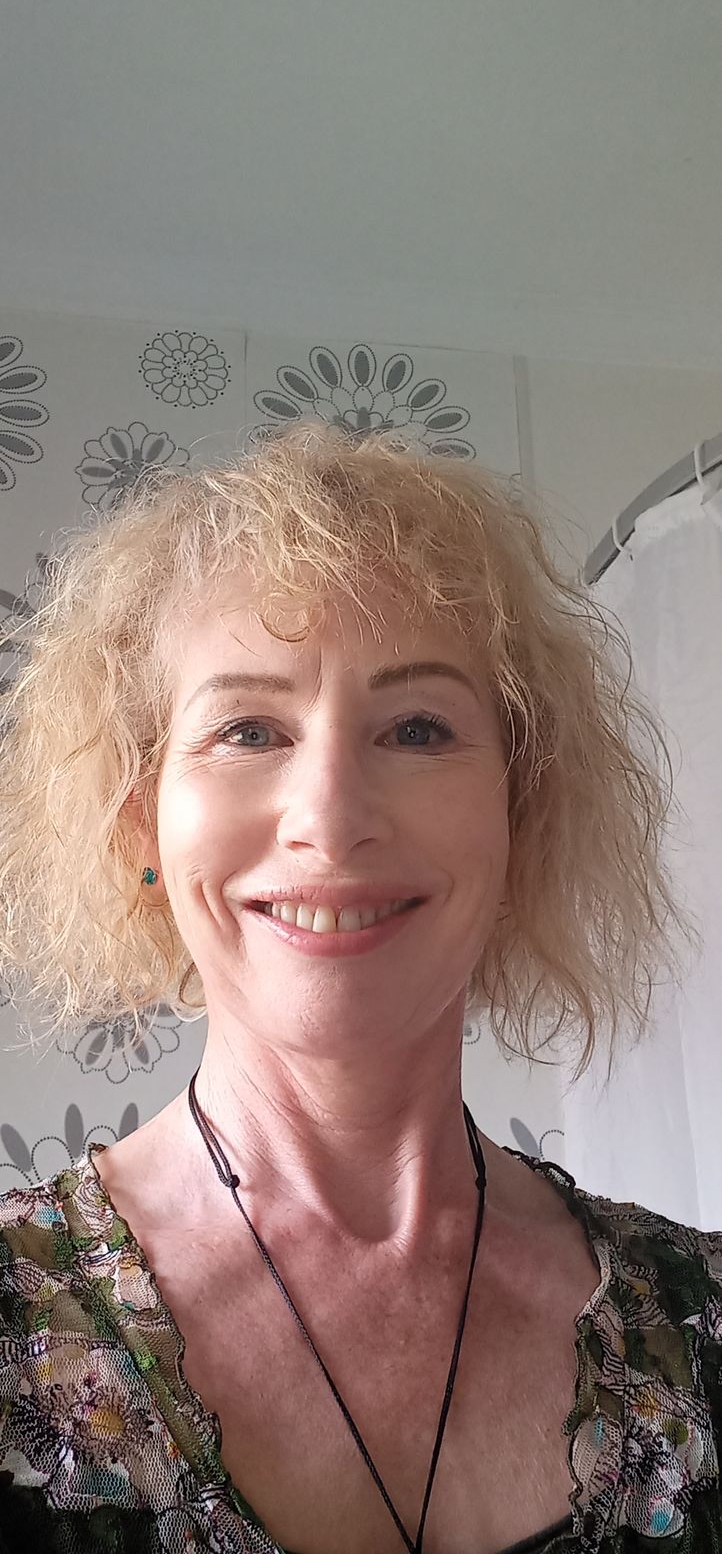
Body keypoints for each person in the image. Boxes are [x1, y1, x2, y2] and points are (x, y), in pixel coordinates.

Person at [0, 420, 719, 1554]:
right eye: (247, 729)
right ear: (141, 824)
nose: (330, 818)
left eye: (418, 727)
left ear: (520, 814)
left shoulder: (701, 1328)